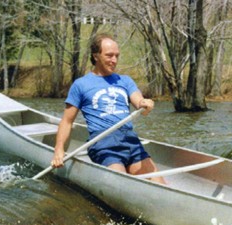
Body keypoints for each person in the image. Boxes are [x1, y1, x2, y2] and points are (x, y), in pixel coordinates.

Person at [50, 33, 166, 184]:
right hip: (103, 144)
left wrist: (145, 104)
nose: (114, 60)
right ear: (96, 56)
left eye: (117, 56)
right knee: (121, 184)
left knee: (159, 185)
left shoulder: (125, 81)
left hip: (130, 140)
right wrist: (59, 150)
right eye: (109, 55)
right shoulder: (81, 85)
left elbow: (139, 102)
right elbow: (67, 121)